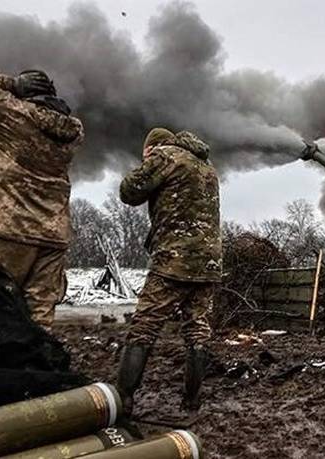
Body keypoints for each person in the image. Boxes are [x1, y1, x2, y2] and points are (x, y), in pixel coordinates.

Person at [0, 66, 84, 328]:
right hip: (53, 235)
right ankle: (36, 367)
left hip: (7, 230)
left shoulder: (12, 114)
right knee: (39, 321)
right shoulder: (72, 132)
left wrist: (10, 84)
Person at [116, 128, 222, 416]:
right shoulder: (207, 167)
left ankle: (122, 400)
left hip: (174, 260)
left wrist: (150, 159)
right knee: (198, 332)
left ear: (153, 146)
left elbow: (129, 192)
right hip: (208, 263)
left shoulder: (165, 156)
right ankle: (191, 402)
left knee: (144, 327)